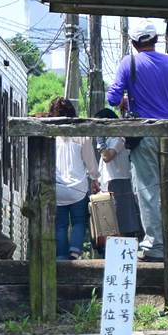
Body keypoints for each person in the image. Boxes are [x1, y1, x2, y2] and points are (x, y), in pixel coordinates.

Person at [104, 24, 168, 262]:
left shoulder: (128, 63)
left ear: (132, 43)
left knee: (149, 191)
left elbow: (112, 98)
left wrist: (130, 98)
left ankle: (155, 247)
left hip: (145, 134)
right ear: (157, 38)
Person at [46, 96, 99, 260]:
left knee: (60, 225)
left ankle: (61, 258)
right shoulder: (81, 134)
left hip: (57, 188)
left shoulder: (49, 135)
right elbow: (90, 161)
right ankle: (75, 254)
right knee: (79, 221)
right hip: (78, 189)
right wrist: (96, 178)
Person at [93, 107, 142, 241]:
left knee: (120, 221)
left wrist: (100, 143)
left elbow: (107, 157)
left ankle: (122, 248)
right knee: (110, 222)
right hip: (109, 182)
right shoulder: (110, 139)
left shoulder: (118, 139)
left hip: (118, 182)